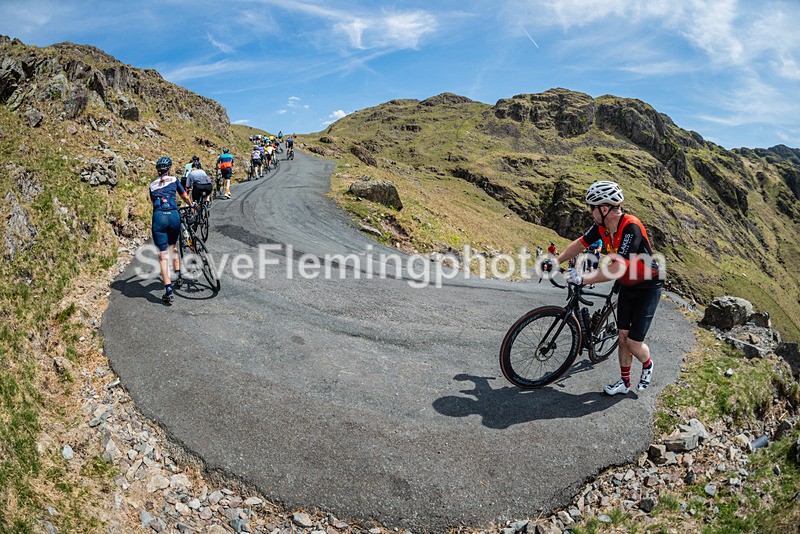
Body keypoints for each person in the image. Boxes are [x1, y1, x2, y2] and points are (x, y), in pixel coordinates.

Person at [549, 180, 663, 396]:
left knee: (633, 343)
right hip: (628, 284)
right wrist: (556, 261)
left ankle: (648, 364)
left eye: (592, 207)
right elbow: (580, 244)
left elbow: (618, 267)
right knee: (622, 337)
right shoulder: (601, 227)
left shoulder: (631, 227)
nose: (589, 211)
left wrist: (582, 278)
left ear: (604, 208)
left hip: (648, 286)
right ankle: (625, 383)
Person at [149, 156, 193, 304]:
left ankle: (168, 291)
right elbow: (184, 196)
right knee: (173, 247)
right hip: (173, 215)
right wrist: (191, 205)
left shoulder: (152, 185)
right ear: (169, 169)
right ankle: (179, 275)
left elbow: (152, 202)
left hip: (159, 217)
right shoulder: (174, 180)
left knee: (162, 256)